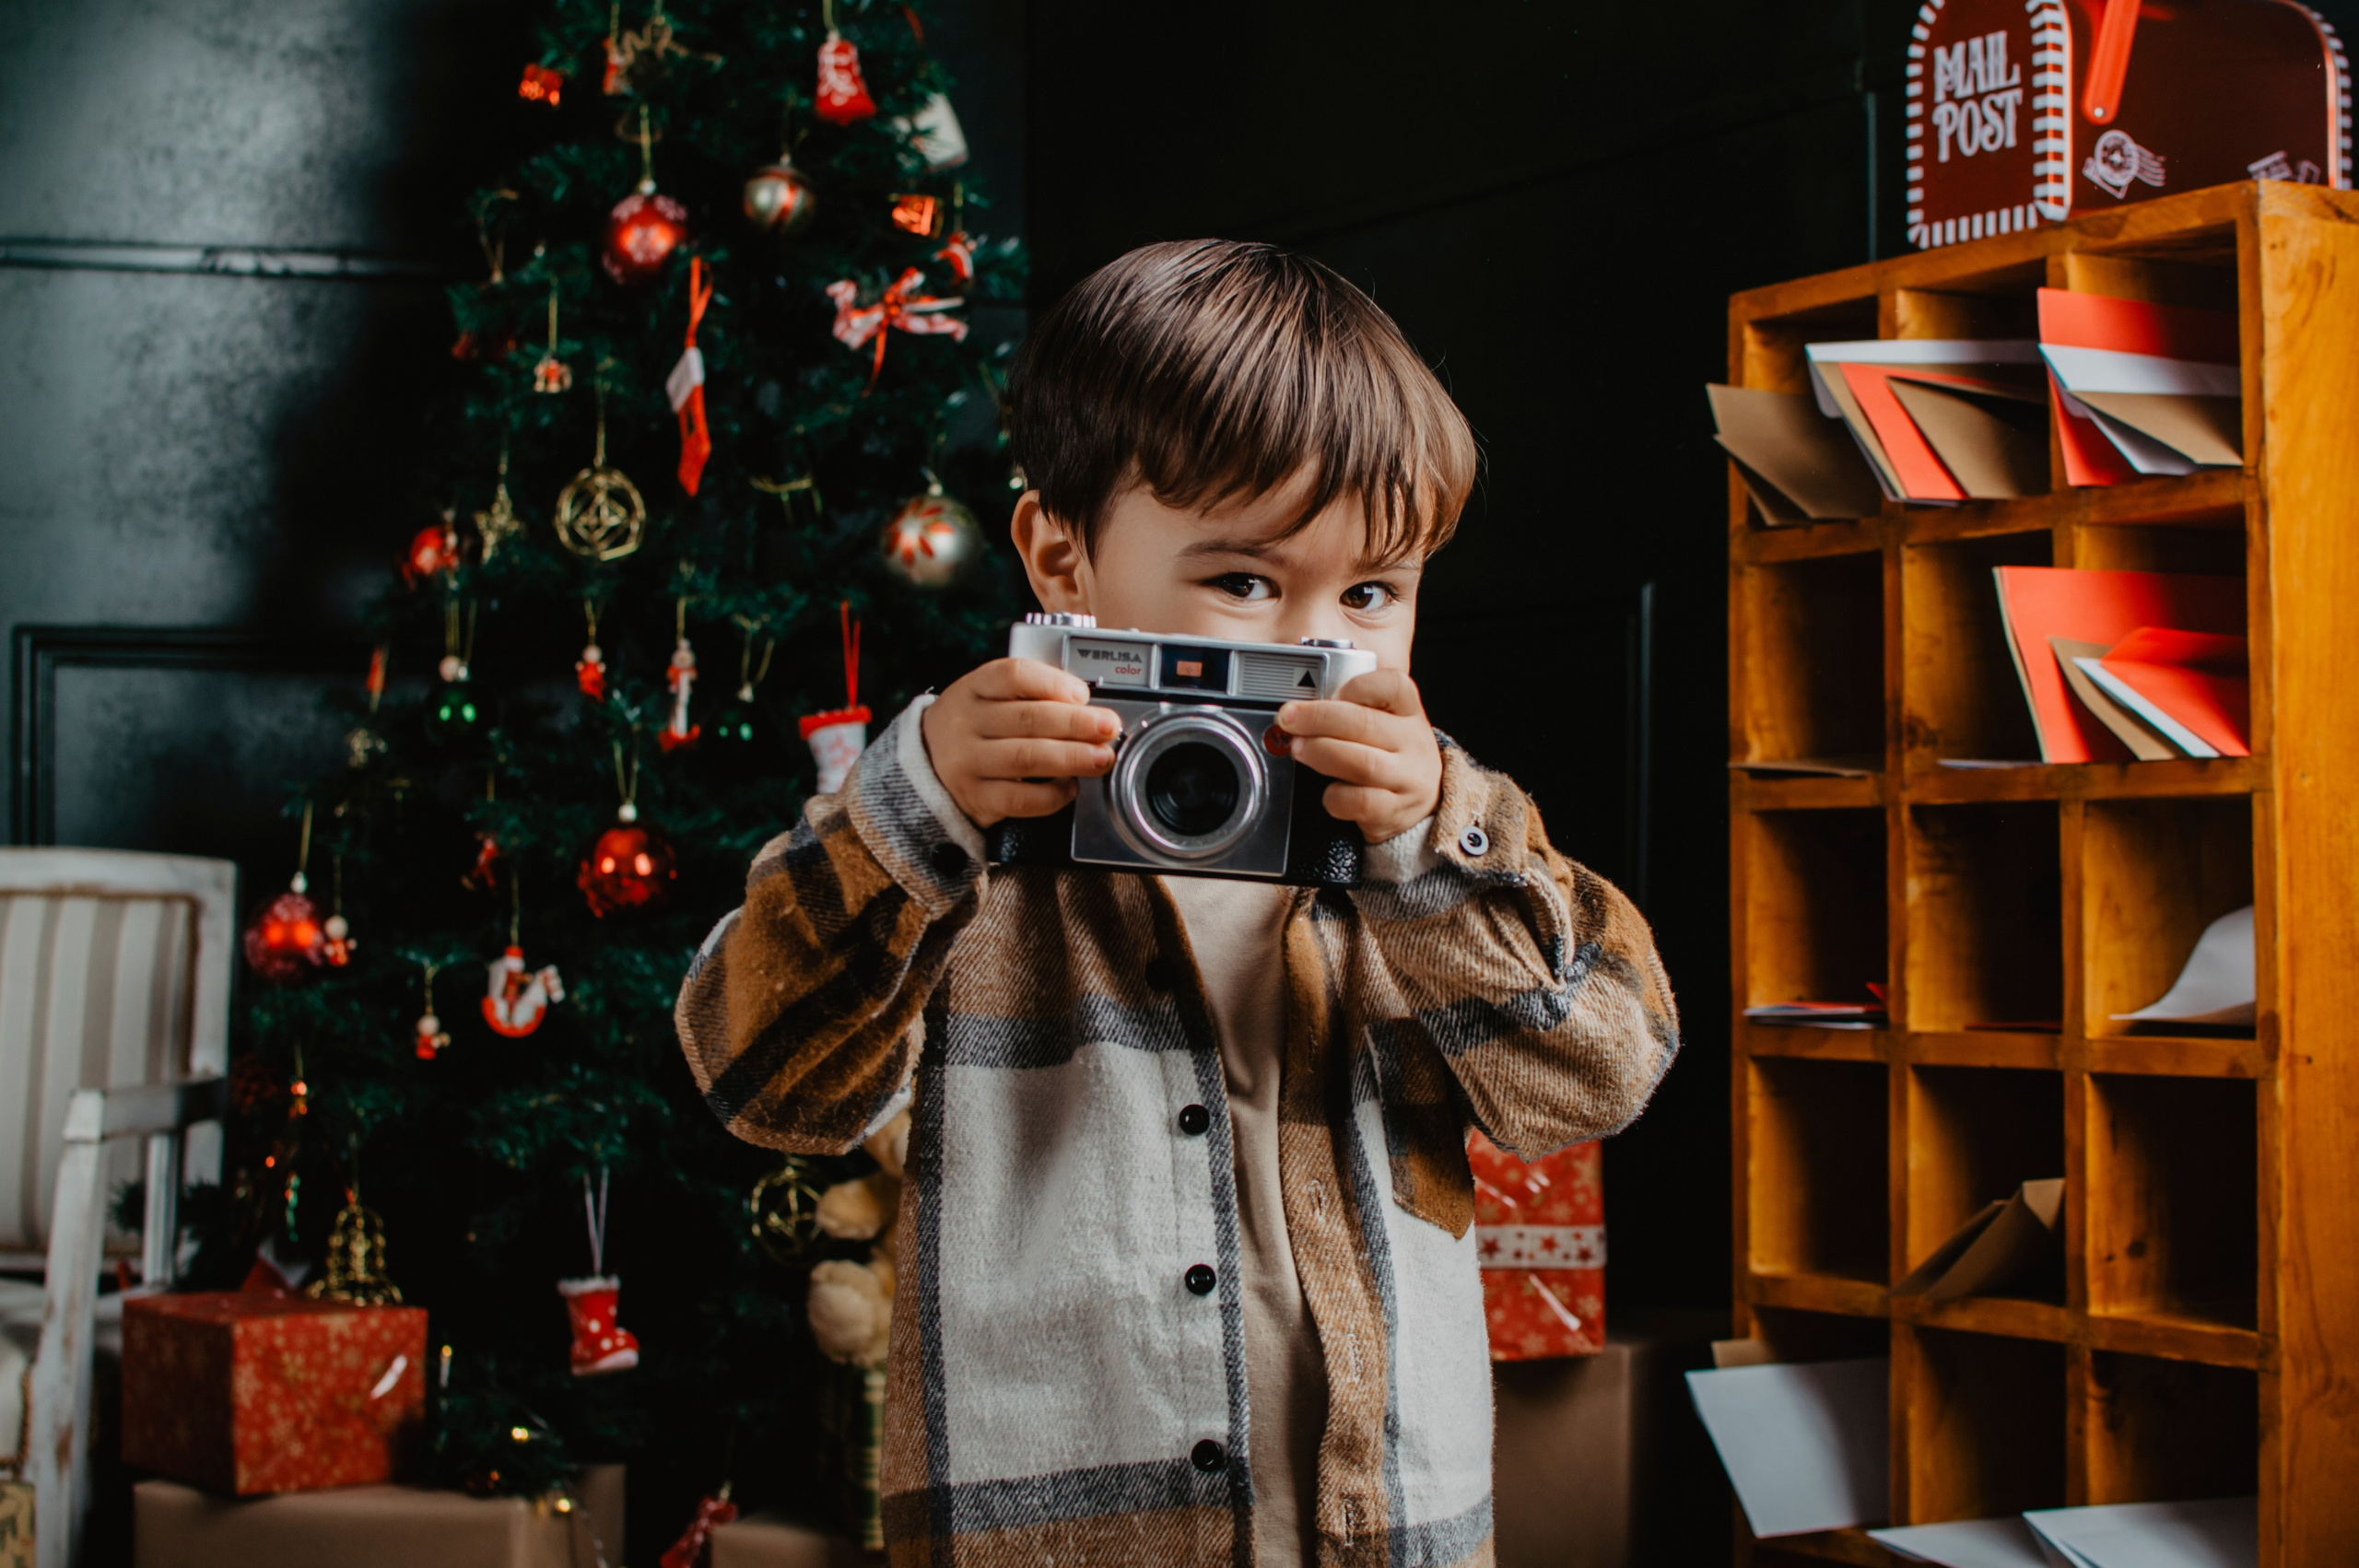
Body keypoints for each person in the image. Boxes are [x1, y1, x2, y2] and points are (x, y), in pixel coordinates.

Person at [675, 239, 1679, 1568]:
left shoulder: (1436, 835)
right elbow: (765, 1080)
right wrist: (913, 809)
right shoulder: (973, 834)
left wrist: (1436, 838)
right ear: (1061, 556)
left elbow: (1599, 1073)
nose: (1320, 642)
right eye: (1247, 581)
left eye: (1372, 590)